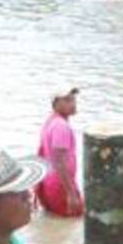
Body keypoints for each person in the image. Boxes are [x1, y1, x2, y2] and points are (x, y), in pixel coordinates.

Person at [35, 88, 84, 219]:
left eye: (73, 100)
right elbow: (59, 162)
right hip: (60, 187)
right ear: (55, 104)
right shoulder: (61, 126)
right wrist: (71, 194)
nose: (73, 104)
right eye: (67, 100)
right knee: (76, 221)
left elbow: (42, 153)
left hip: (49, 184)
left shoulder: (51, 121)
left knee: (59, 224)